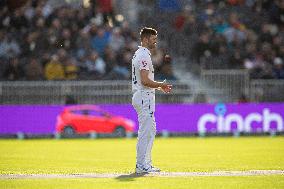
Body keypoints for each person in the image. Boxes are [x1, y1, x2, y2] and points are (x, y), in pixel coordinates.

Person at [131, 27, 172, 174]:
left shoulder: (140, 54)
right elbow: (144, 80)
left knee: (150, 130)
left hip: (143, 96)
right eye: (153, 39)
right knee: (145, 132)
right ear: (146, 39)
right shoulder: (143, 55)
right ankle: (141, 165)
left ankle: (146, 163)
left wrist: (159, 87)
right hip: (143, 96)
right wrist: (161, 85)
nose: (155, 42)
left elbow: (145, 81)